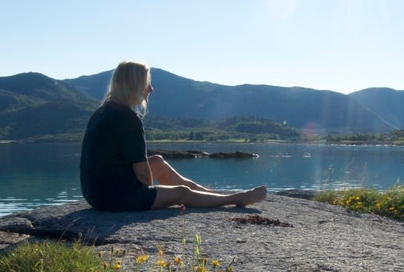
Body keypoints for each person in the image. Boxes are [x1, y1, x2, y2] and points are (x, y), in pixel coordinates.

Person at [79, 61, 267, 212]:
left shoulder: (103, 112)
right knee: (182, 193)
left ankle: (209, 195)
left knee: (158, 162)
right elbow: (143, 174)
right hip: (114, 199)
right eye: (147, 83)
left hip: (95, 192)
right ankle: (235, 199)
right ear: (134, 85)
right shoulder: (128, 119)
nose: (151, 88)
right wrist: (153, 194)